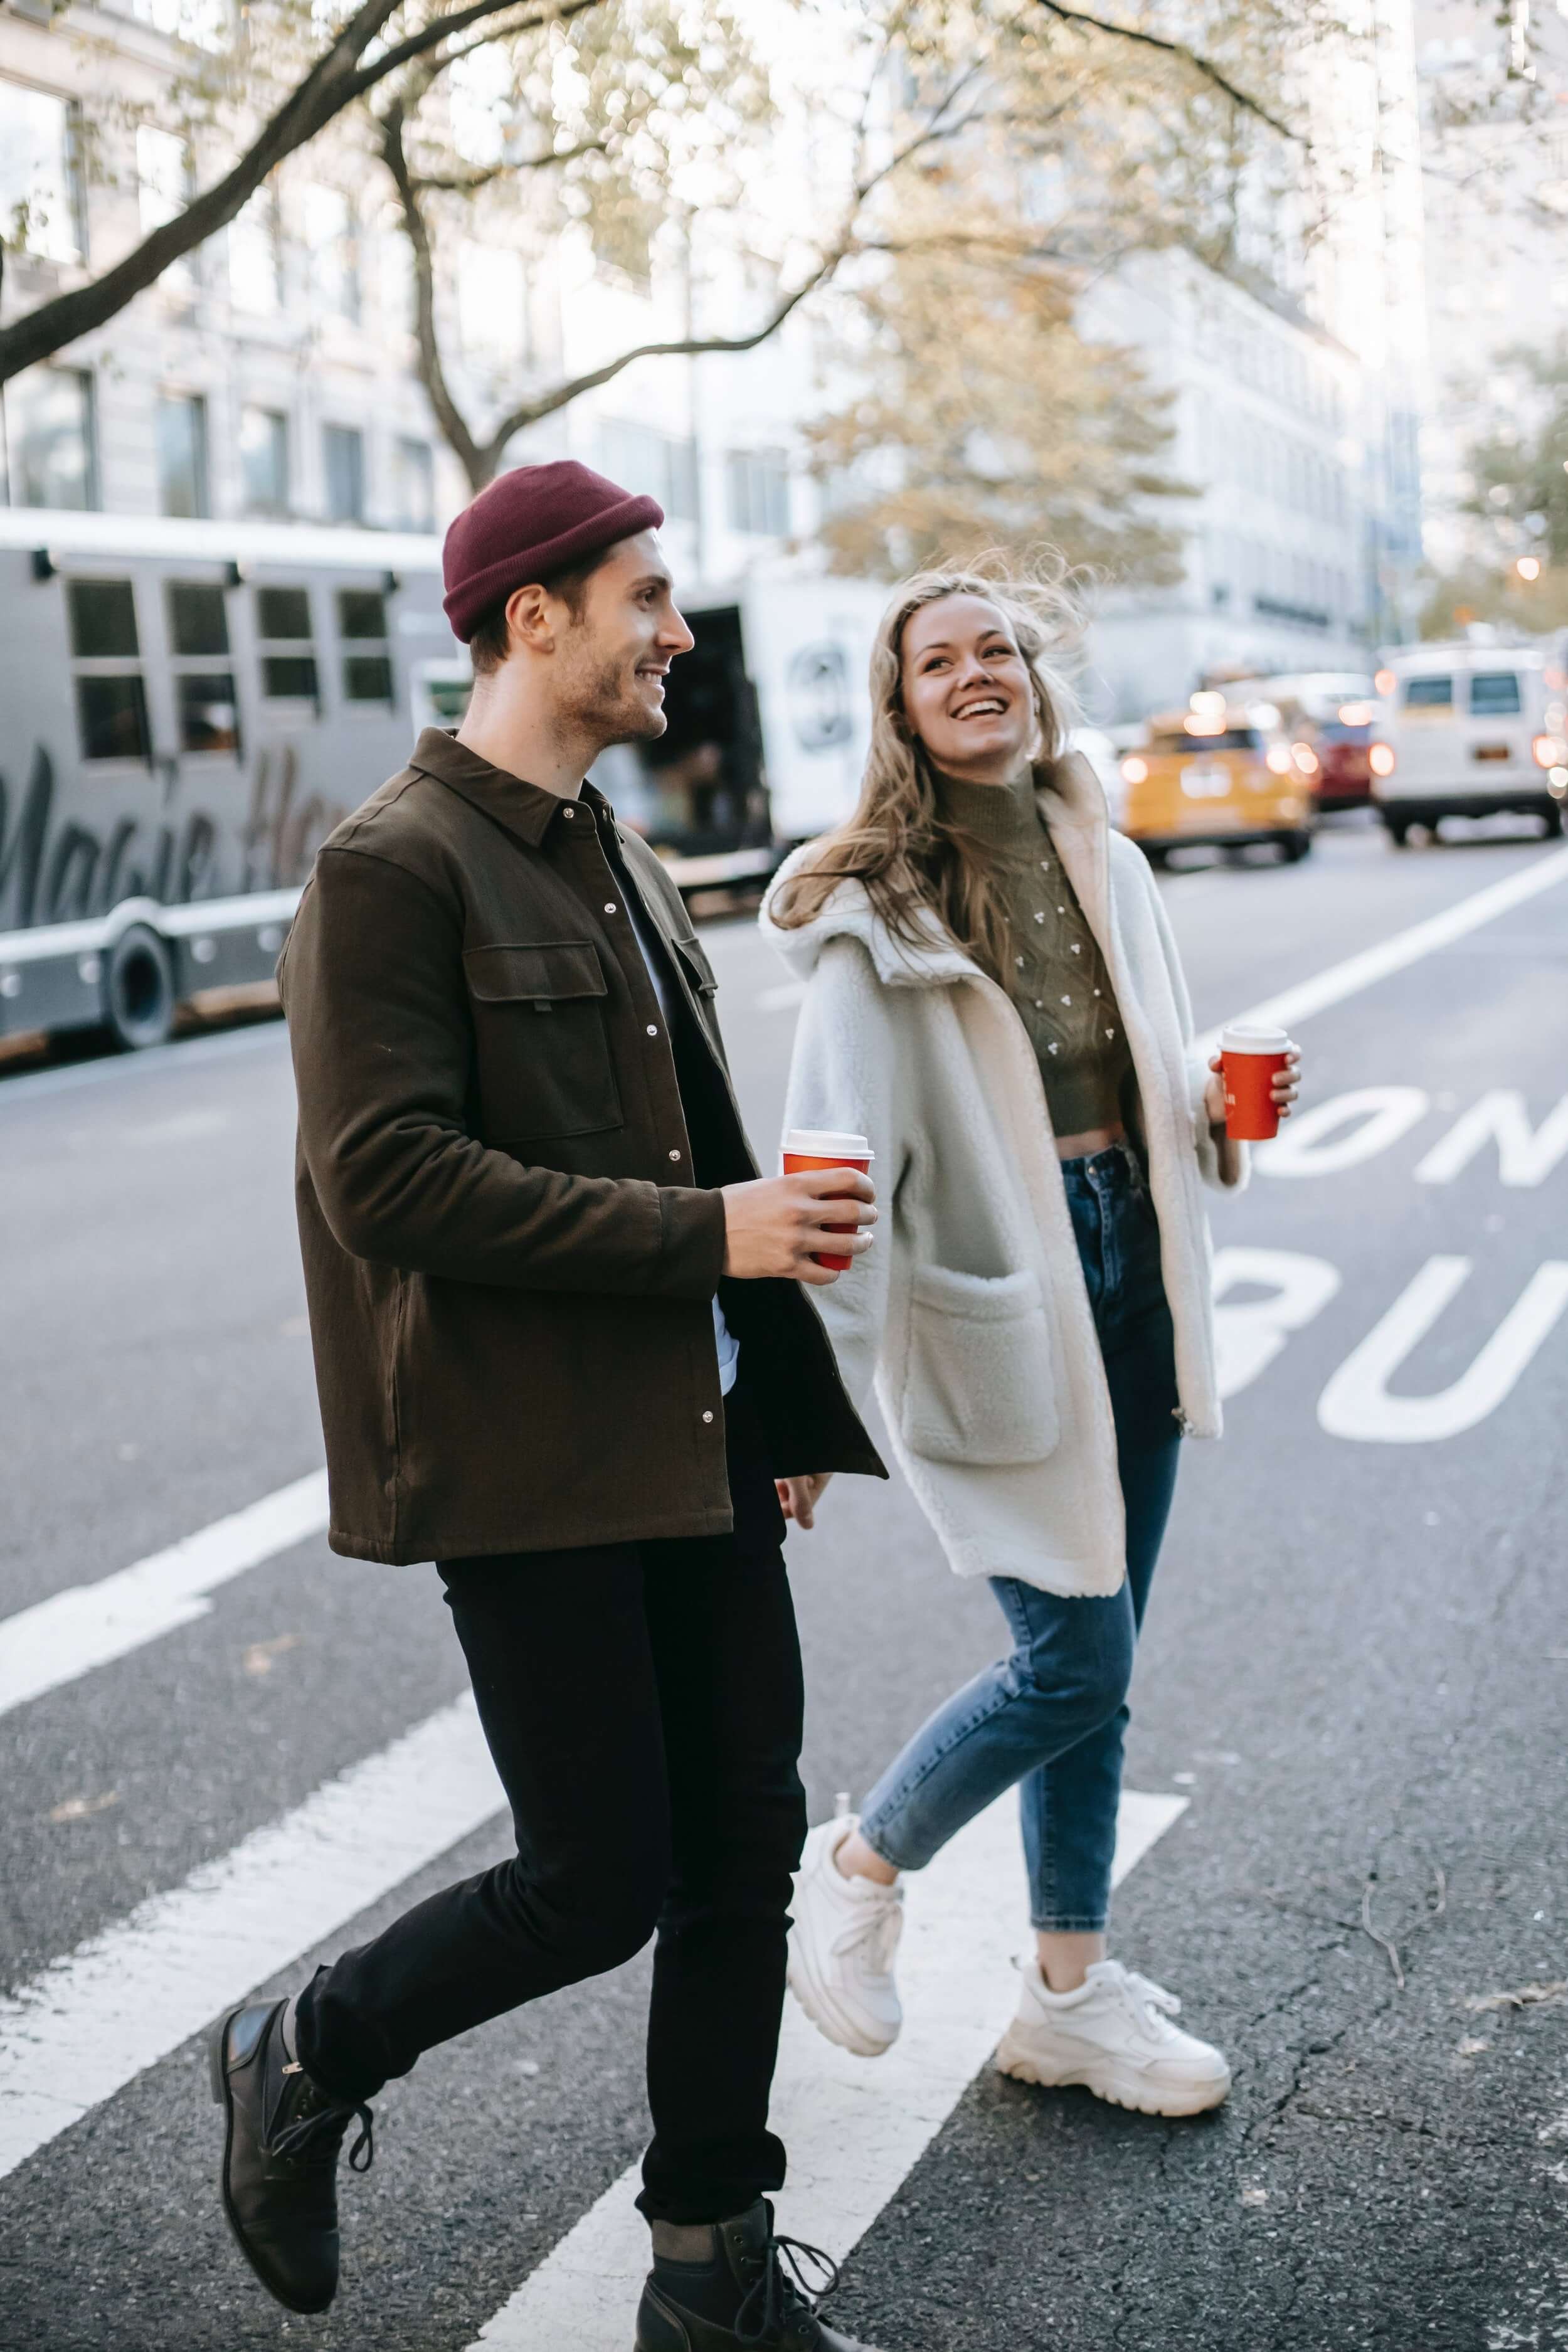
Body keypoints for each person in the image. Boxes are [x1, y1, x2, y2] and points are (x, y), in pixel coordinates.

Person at [209, 460, 891, 2352]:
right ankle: (305, 2040)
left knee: (741, 1838)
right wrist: (715, 1237)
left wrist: (767, 1398)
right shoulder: (388, 868)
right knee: (600, 1878)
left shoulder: (614, 846)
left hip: (691, 1435)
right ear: (536, 616)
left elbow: (694, 1140)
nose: (678, 632)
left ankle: (706, 2263)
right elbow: (389, 1179)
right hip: (527, 1460)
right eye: (647, 597)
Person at [761, 561, 1301, 2119]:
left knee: (1102, 1655)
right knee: (1071, 1655)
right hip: (999, 1299)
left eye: (997, 649)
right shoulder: (875, 915)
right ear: (903, 711)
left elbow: (1138, 1062)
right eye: (941, 662)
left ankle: (1064, 1997)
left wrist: (1210, 1106)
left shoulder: (1107, 859)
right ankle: (857, 1873)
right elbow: (833, 1167)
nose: (978, 673)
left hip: (1133, 1264)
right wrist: (809, 1405)